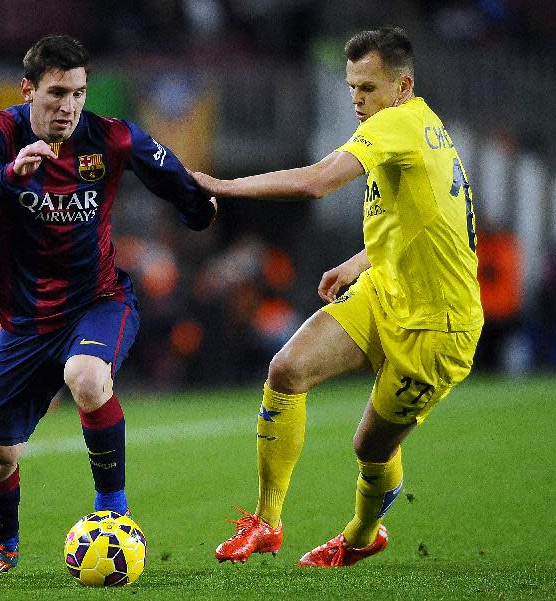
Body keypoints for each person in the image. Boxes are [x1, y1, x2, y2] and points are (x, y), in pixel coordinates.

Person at [192, 27, 483, 567]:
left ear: (403, 86)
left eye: (368, 88)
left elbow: (316, 181)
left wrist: (222, 186)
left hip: (437, 328)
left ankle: (362, 535)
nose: (357, 99)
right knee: (287, 370)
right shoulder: (421, 126)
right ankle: (267, 522)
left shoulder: (398, 125)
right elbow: (423, 219)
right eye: (352, 87)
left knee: (370, 448)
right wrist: (358, 261)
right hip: (386, 290)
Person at [0, 34, 216, 580]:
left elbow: (171, 176)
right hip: (25, 322)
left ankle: (113, 516)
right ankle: (1, 546)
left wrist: (200, 211)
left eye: (77, 93)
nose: (68, 107)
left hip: (99, 300)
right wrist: (10, 175)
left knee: (88, 376)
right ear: (28, 89)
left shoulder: (110, 138)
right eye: (55, 94)